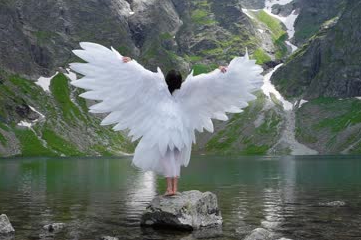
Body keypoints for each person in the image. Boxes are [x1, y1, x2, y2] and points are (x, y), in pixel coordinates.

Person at [69, 42, 263, 196]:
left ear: (167, 81)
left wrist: (127, 62)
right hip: (182, 131)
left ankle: (170, 189)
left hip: (164, 132)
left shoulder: (157, 88)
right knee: (175, 160)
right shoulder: (189, 89)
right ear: (180, 82)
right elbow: (209, 79)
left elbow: (139, 73)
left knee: (168, 160)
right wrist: (221, 72)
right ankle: (174, 188)